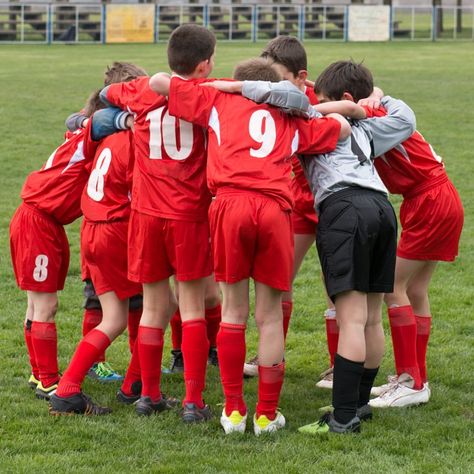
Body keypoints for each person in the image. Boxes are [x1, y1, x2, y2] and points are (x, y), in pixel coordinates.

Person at [149, 57, 349, 435]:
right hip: (274, 208)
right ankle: (266, 414)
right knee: (269, 314)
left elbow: (160, 82)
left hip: (229, 205)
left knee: (233, 311)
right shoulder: (288, 116)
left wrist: (226, 87)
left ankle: (234, 410)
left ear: (239, 82)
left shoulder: (218, 101)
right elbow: (339, 129)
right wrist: (292, 101)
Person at [232, 77, 416, 433]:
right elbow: (405, 118)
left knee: (351, 317)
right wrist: (375, 98)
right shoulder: (369, 130)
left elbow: (287, 103)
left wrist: (326, 106)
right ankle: (358, 404)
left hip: (343, 208)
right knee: (371, 317)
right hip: (381, 209)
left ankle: (343, 417)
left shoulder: (308, 123)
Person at [313, 60, 464, 408]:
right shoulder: (380, 109)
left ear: (348, 99)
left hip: (429, 200)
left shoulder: (371, 123)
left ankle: (412, 380)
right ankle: (413, 377)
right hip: (434, 198)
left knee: (391, 288)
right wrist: (376, 95)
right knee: (415, 289)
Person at [100, 24, 216, 421]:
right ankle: (192, 401)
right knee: (192, 306)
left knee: (153, 307)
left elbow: (106, 94)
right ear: (204, 65)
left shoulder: (142, 89)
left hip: (146, 215)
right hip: (188, 215)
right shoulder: (208, 92)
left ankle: (149, 396)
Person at [10, 96, 130, 401]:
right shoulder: (91, 132)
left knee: (37, 305)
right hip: (39, 221)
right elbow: (96, 122)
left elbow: (75, 118)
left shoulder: (79, 132)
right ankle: (48, 381)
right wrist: (126, 119)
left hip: (42, 220)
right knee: (46, 306)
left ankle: (39, 374)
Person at [243, 36, 338, 380]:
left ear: (301, 77)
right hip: (295, 203)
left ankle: (337, 365)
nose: (272, 88)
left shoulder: (320, 99)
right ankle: (271, 353)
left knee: (336, 288)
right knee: (279, 281)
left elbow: (360, 102)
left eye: (279, 79)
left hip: (330, 205)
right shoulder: (271, 99)